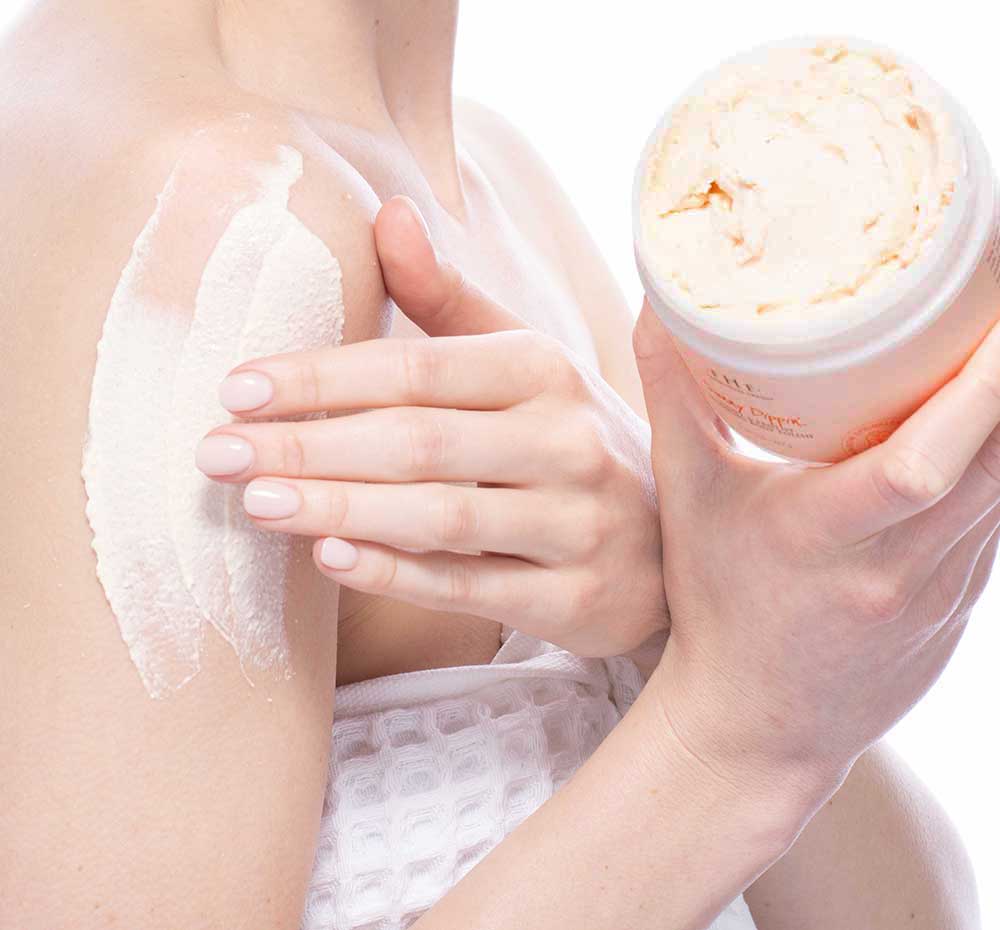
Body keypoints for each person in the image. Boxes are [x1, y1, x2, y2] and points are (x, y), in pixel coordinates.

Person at [0, 2, 989, 928]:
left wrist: (700, 644)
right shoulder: (207, 213)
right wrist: (734, 742)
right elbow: (754, 746)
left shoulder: (494, 172)